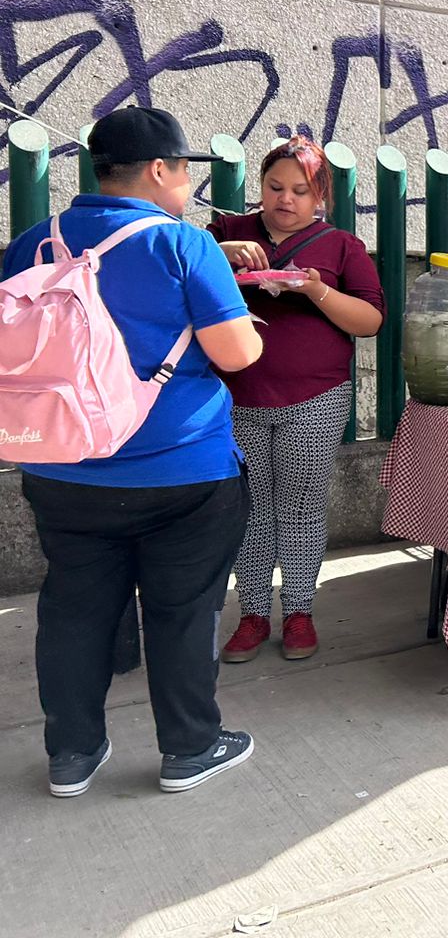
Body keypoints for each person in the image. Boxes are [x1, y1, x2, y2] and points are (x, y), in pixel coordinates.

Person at [2, 107, 264, 797]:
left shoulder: (32, 243)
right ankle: (190, 748)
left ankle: (72, 755)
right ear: (158, 170)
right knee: (183, 611)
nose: (187, 185)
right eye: (184, 170)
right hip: (183, 472)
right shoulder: (184, 246)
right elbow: (238, 353)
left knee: (73, 610)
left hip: (60, 468)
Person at [208, 140, 385, 663]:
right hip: (237, 394)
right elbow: (173, 263)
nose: (285, 199)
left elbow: (371, 321)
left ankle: (301, 610)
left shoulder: (340, 246)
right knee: (249, 507)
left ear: (320, 196)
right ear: (260, 188)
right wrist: (220, 255)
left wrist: (315, 291)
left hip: (317, 396)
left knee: (303, 507)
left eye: (300, 191)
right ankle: (254, 614)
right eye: (274, 187)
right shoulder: (226, 233)